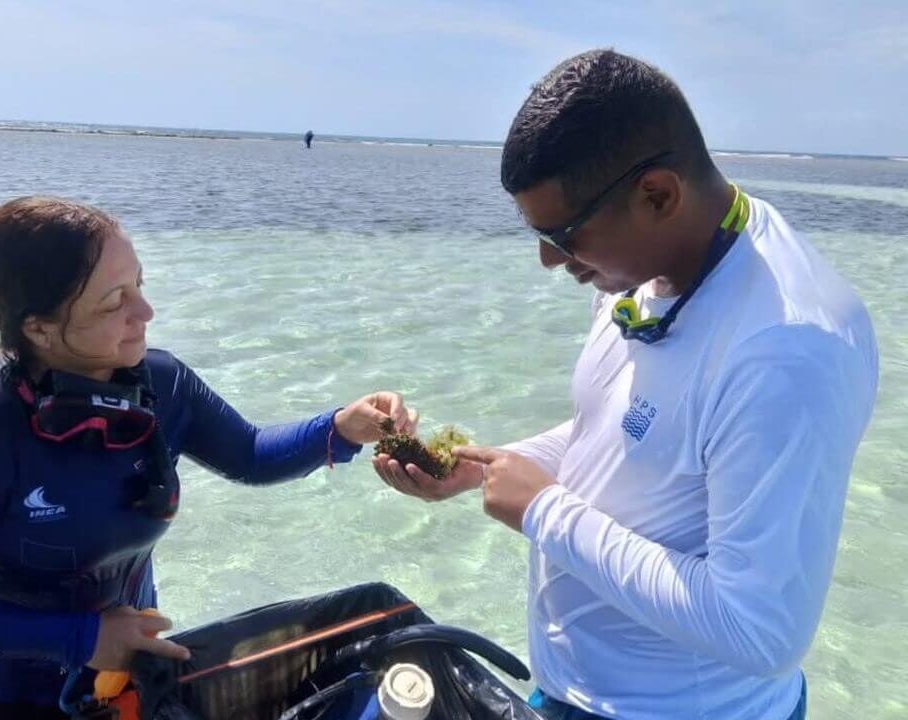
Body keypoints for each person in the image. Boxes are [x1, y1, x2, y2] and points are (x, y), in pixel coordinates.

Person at [374, 50, 877, 719]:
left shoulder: (787, 353)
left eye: (563, 234)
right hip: (575, 689)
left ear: (658, 195)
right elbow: (629, 425)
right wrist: (488, 466)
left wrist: (544, 512)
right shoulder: (645, 263)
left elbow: (761, 631)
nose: (547, 259)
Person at [0, 196, 417, 719]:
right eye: (115, 302)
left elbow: (249, 455)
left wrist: (339, 427)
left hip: (118, 673)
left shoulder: (163, 384)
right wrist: (83, 637)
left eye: (140, 284)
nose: (146, 311)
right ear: (38, 327)